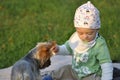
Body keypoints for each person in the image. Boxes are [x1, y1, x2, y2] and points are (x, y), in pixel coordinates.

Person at [43, 1, 113, 80]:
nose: (85, 36)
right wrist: (58, 49)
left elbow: (106, 64)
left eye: (89, 33)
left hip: (91, 74)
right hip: (75, 71)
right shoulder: (76, 38)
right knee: (65, 69)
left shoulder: (99, 45)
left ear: (97, 30)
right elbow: (67, 49)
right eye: (80, 33)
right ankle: (49, 78)